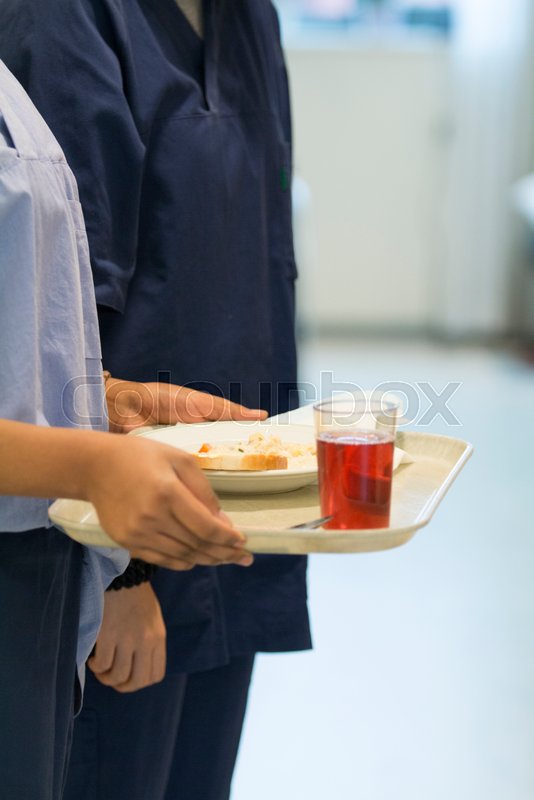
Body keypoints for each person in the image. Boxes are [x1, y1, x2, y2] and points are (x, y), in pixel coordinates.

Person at [0, 2, 312, 798]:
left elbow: (263, 257)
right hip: (111, 531)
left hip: (237, 505)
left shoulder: (249, 20)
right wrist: (121, 575)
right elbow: (60, 319)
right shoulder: (60, 22)